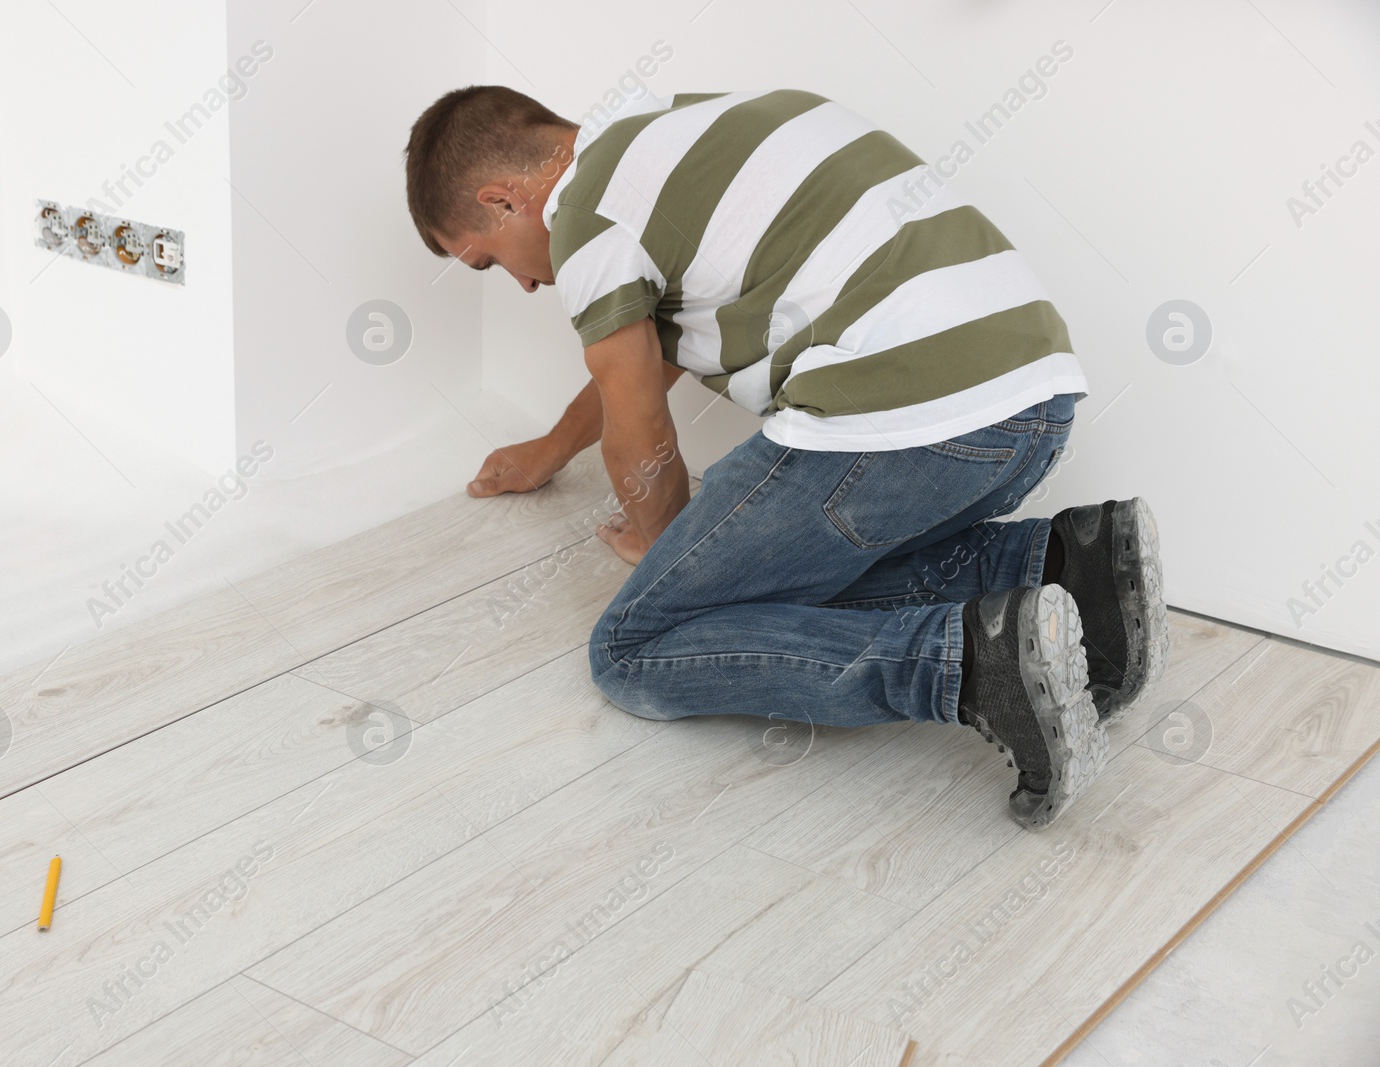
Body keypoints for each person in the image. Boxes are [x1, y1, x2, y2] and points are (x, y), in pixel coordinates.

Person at [404, 85, 1169, 829]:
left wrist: (671, 562)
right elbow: (646, 358)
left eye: (489, 261)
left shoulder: (587, 221)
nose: (529, 283)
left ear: (506, 199)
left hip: (909, 425)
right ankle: (1071, 566)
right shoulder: (675, 139)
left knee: (636, 646)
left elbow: (638, 423)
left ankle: (972, 665)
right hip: (1030, 409)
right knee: (789, 574)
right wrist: (550, 449)